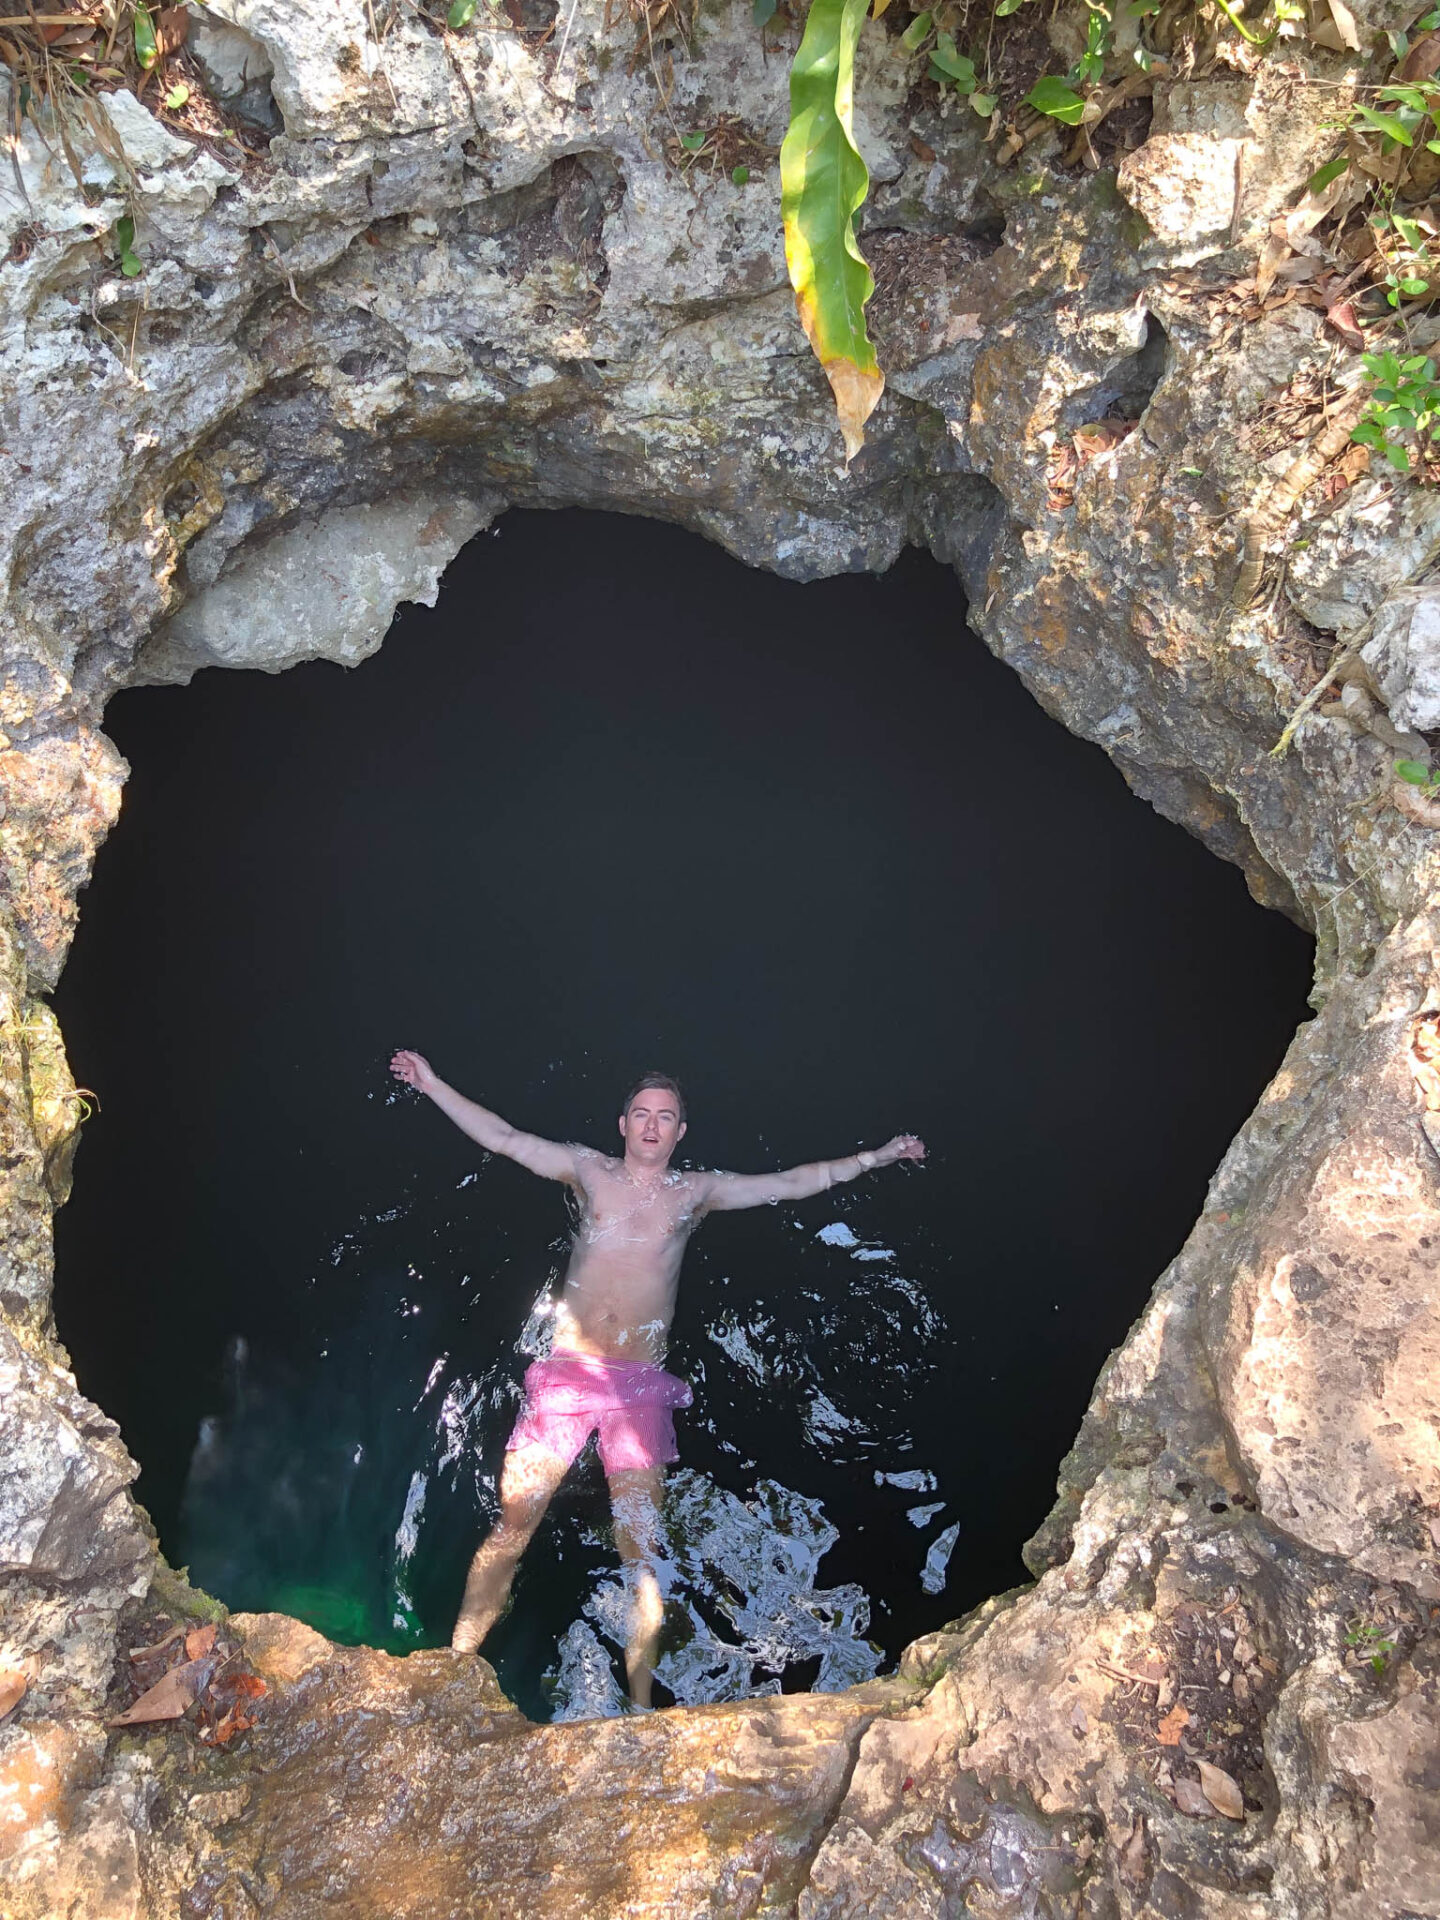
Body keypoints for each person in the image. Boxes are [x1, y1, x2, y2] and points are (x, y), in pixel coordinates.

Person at [388, 1052, 925, 1708]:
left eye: (664, 1118)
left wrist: (877, 1157)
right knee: (513, 1523)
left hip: (640, 1385)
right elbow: (504, 1138)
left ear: (680, 1133)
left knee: (640, 1552)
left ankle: (641, 1707)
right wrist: (433, 1082)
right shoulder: (589, 1170)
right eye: (641, 1114)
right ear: (622, 1123)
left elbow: (789, 1182)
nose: (651, 1126)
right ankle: (455, 1666)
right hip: (568, 1372)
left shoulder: (694, 1193)